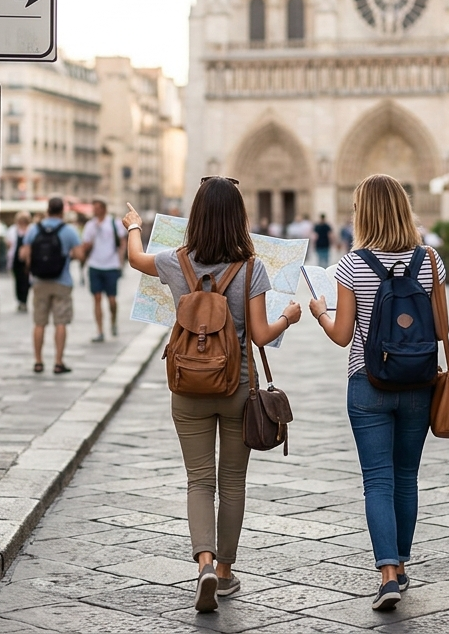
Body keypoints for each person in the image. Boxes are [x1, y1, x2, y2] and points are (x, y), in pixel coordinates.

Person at [124, 177, 301, 613]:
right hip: (237, 387)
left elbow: (134, 259)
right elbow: (260, 334)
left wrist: (132, 224)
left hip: (187, 386)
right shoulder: (251, 268)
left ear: (197, 217)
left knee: (199, 481)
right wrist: (289, 318)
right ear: (238, 219)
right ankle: (223, 573)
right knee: (233, 482)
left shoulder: (174, 262)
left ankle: (202, 562)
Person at [308, 174, 445, 611]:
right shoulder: (431, 261)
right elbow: (443, 329)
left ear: (362, 214)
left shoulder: (351, 265)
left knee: (378, 480)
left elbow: (343, 335)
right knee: (406, 477)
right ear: (405, 209)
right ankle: (402, 565)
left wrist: (320, 313)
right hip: (419, 383)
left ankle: (386, 574)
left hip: (367, 384)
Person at [21, 198, 83, 373]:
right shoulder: (69, 230)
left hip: (39, 281)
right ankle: (58, 362)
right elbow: (79, 255)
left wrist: (32, 267)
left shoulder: (34, 228)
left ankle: (38, 362)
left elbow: (25, 253)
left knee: (39, 323)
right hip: (61, 281)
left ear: (47, 209)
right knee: (60, 323)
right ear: (62, 211)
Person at [81, 200, 125, 342]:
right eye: (94, 208)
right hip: (94, 265)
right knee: (97, 298)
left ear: (104, 209)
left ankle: (113, 321)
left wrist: (120, 260)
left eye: (98, 208)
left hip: (111, 265)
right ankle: (100, 330)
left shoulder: (114, 223)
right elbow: (85, 245)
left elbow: (122, 241)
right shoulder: (90, 225)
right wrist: (88, 244)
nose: (95, 211)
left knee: (112, 300)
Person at [6, 212, 32, 312]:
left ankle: (24, 300)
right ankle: (20, 300)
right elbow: (9, 244)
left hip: (27, 261)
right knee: (17, 281)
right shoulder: (13, 230)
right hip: (16, 260)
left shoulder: (31, 230)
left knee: (26, 282)